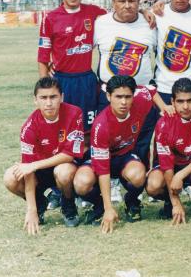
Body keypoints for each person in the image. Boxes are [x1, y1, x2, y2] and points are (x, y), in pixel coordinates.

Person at [73, 76, 171, 232]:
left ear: (134, 96)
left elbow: (151, 91)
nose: (124, 102)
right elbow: (103, 171)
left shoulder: (141, 99)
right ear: (108, 96)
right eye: (118, 97)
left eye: (127, 97)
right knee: (81, 183)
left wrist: (163, 106)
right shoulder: (101, 125)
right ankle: (99, 206)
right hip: (103, 160)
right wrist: (108, 208)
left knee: (138, 174)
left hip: (124, 157)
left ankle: (131, 202)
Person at [3, 78, 85, 233]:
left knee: (64, 171)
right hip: (40, 172)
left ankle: (68, 205)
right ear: (35, 100)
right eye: (43, 98)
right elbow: (28, 171)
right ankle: (40, 204)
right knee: (10, 177)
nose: (49, 103)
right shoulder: (29, 127)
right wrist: (31, 209)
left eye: (53, 97)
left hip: (63, 166)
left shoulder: (75, 113)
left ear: (61, 97)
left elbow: (69, 155)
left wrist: (34, 165)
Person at [94, 0, 160, 167]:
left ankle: (139, 180)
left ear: (139, 2)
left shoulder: (151, 23)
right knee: (110, 137)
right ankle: (112, 178)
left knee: (141, 140)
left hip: (142, 94)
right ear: (113, 2)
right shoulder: (101, 24)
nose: (127, 5)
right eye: (122, 1)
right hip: (110, 93)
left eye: (132, 1)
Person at [38, 0, 106, 132]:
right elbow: (42, 55)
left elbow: (121, 15)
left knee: (89, 127)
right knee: (62, 128)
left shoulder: (95, 12)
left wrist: (144, 12)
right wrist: (44, 86)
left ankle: (87, 157)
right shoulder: (50, 18)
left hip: (86, 80)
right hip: (62, 80)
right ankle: (66, 157)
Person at [146, 78, 191, 222]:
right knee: (153, 185)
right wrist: (176, 202)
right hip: (171, 166)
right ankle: (169, 202)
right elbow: (166, 165)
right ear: (172, 101)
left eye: (189, 100)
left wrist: (180, 175)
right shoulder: (163, 123)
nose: (185, 106)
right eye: (180, 101)